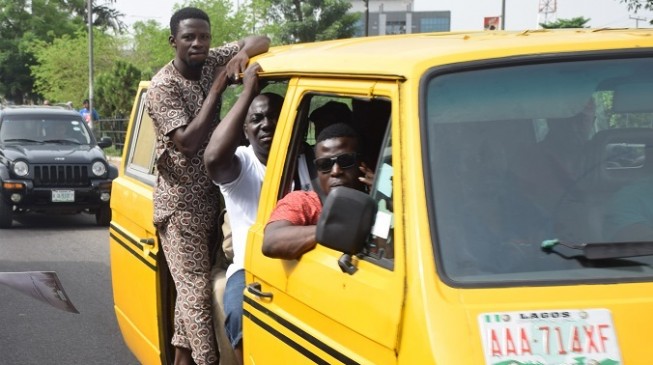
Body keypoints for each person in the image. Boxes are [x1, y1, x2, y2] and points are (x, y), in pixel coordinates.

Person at [145, 6, 270, 365]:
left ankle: (182, 359)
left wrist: (243, 53)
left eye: (204, 37)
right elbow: (187, 141)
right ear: (174, 42)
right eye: (189, 37)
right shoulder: (162, 87)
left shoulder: (210, 56)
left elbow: (261, 39)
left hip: (211, 198)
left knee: (190, 291)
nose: (198, 43)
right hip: (180, 207)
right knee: (197, 294)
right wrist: (218, 86)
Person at [203, 63, 279, 365]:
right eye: (256, 119)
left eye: (274, 116)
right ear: (244, 129)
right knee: (237, 313)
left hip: (299, 272)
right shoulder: (241, 164)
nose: (267, 125)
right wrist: (247, 91)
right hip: (250, 271)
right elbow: (212, 157)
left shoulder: (307, 162)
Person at [261, 122, 374, 260]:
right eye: (325, 164)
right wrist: (333, 230)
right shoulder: (304, 202)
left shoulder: (380, 198)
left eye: (345, 160)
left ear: (362, 163)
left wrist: (385, 200)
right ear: (317, 170)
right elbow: (271, 242)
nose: (336, 171)